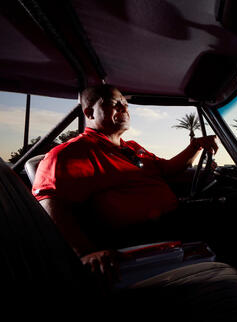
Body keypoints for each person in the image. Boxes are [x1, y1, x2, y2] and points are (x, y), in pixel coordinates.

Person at [32, 84, 219, 287]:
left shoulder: (132, 148)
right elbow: (48, 202)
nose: (124, 108)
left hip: (172, 220)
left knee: (230, 212)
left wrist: (196, 145)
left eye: (125, 104)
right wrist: (85, 252)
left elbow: (167, 169)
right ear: (89, 112)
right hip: (138, 236)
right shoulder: (70, 153)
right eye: (115, 104)